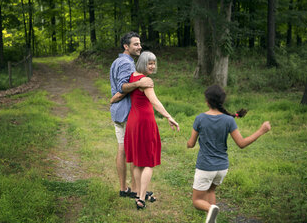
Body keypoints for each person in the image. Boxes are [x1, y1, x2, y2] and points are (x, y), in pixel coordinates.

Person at [186, 85, 271, 223]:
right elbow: (241, 143)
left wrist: (188, 144)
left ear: (207, 101)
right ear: (221, 101)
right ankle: (212, 218)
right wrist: (261, 130)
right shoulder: (229, 120)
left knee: (197, 200)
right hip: (221, 168)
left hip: (205, 167)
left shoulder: (200, 118)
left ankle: (210, 209)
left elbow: (191, 143)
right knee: (211, 191)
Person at [111, 51, 180, 210]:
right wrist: (169, 116)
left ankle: (137, 193)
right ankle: (141, 198)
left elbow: (122, 91)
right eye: (149, 63)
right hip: (144, 122)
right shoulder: (145, 80)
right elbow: (154, 102)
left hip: (133, 122)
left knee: (136, 161)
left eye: (154, 63)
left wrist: (112, 99)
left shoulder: (132, 77)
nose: (152, 66)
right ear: (142, 63)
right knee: (148, 161)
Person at [110, 32, 153, 199]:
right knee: (133, 149)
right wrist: (139, 83)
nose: (139, 47)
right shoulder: (127, 63)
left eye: (140, 44)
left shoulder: (116, 61)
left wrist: (113, 99)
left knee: (122, 149)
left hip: (117, 111)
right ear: (126, 46)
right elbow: (122, 87)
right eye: (135, 44)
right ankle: (135, 190)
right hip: (127, 111)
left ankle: (124, 189)